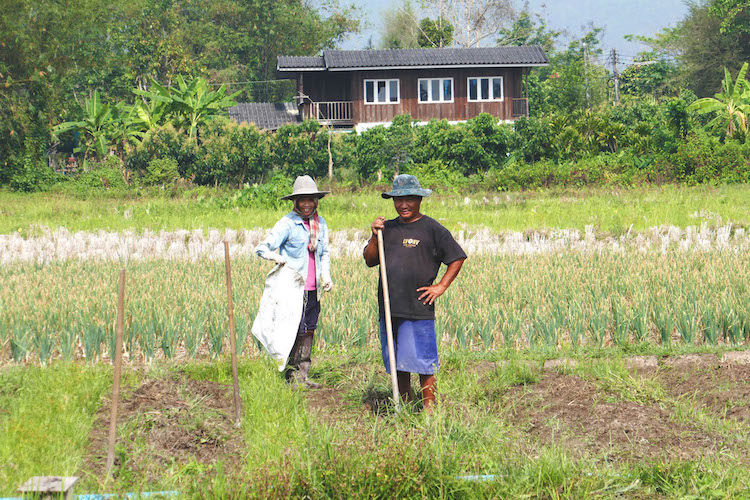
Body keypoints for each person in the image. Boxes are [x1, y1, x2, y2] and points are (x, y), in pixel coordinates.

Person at [363, 174, 466, 410]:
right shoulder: (386, 228)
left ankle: (429, 410)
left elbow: (457, 257)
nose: (403, 205)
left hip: (418, 306)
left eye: (409, 199)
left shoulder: (432, 229)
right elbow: (370, 260)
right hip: (390, 307)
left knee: (422, 361)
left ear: (419, 199)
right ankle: (406, 405)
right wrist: (373, 235)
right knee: (398, 361)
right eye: (398, 200)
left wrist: (440, 286)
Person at [255, 175, 333, 388]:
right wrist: (277, 257)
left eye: (311, 200)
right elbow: (262, 248)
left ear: (316, 201)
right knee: (293, 329)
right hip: (292, 288)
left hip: (312, 289)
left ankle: (303, 376)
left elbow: (324, 253)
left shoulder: (320, 223)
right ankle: (291, 377)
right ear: (295, 202)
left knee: (309, 329)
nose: (307, 204)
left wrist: (325, 276)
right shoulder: (287, 223)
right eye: (302, 200)